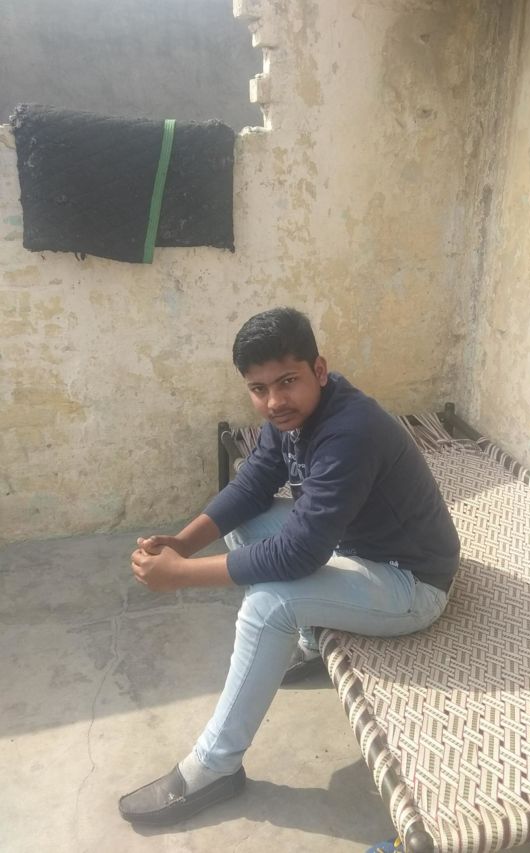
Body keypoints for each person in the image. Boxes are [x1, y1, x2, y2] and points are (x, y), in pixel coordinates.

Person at [119, 307, 460, 826]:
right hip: (356, 547)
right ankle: (313, 642)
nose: (274, 401)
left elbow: (299, 553)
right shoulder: (291, 418)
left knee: (270, 603)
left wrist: (180, 576)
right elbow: (252, 486)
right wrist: (183, 544)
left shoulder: (351, 431)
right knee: (246, 526)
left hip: (410, 582)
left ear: (319, 370)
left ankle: (214, 768)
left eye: (287, 381)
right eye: (258, 389)